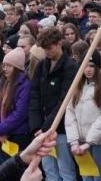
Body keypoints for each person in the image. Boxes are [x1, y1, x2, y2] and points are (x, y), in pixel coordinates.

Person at [28, 28, 77, 181]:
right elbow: (34, 96)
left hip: (60, 129)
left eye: (50, 48)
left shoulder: (70, 67)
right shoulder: (42, 66)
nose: (47, 52)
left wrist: (46, 128)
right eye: (44, 49)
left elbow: (64, 101)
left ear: (59, 43)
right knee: (49, 170)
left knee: (66, 171)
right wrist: (36, 126)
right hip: (42, 129)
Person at [64, 50, 101, 181]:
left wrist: (88, 143)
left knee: (100, 177)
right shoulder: (77, 85)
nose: (88, 70)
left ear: (98, 67)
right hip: (80, 142)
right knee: (86, 177)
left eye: (92, 66)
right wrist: (74, 141)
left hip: (100, 142)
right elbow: (70, 113)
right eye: (85, 65)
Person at [0, 48, 31, 163]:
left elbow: (20, 113)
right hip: (2, 133)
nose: (5, 69)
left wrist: (0, 129)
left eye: (9, 66)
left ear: (17, 68)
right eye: (4, 65)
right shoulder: (3, 82)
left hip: (18, 134)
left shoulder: (25, 85)